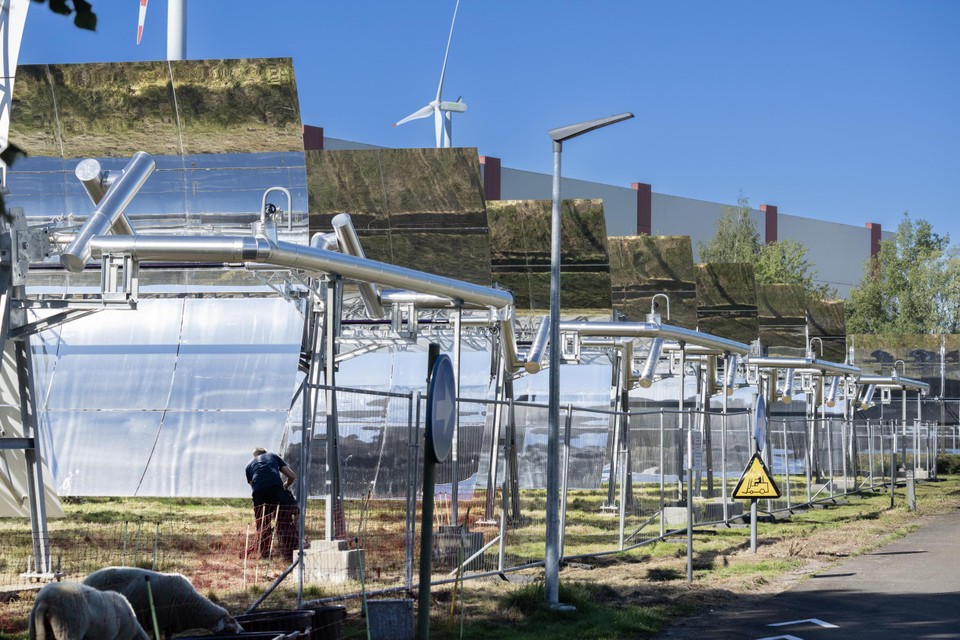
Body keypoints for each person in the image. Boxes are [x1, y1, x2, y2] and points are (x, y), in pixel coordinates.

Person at [245, 448, 299, 558]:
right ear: (266, 453)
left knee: (263, 525)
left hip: (259, 493)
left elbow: (253, 485)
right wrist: (285, 486)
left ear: (254, 456)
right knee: (284, 521)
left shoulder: (249, 465)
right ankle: (289, 551)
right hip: (276, 489)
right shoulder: (273, 456)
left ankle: (265, 554)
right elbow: (292, 476)